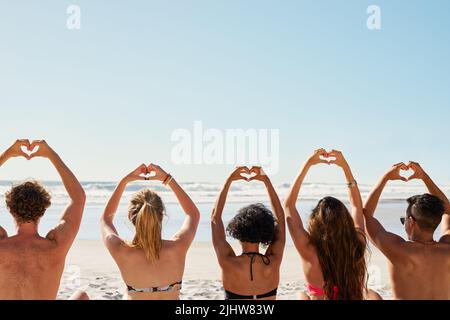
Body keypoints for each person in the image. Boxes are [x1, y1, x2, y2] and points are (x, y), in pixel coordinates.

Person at [284, 149, 381, 300]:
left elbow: (289, 206)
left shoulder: (308, 249)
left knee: (301, 295)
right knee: (372, 294)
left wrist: (308, 164)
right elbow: (356, 206)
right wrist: (344, 167)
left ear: (316, 223)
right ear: (346, 221)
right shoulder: (357, 244)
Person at [0, 139, 88, 300]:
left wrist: (7, 155)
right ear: (42, 210)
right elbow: (78, 198)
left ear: (11, 210)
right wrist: (51, 155)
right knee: (81, 296)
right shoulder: (55, 246)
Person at [101, 163, 200, 300]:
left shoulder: (121, 250)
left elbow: (106, 219)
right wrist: (167, 178)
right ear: (161, 214)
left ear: (130, 216)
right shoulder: (178, 247)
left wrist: (125, 181)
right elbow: (193, 214)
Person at [363, 161, 450, 300]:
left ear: (411, 222)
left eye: (404, 220)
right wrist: (424, 177)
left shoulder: (397, 249)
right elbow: (448, 212)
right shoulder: (447, 248)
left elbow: (366, 216)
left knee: (369, 293)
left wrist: (386, 177)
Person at [211, 166, 285, 300]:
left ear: (237, 231)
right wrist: (266, 181)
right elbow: (280, 218)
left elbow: (215, 218)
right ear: (266, 232)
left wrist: (229, 180)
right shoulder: (273, 261)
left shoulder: (228, 261)